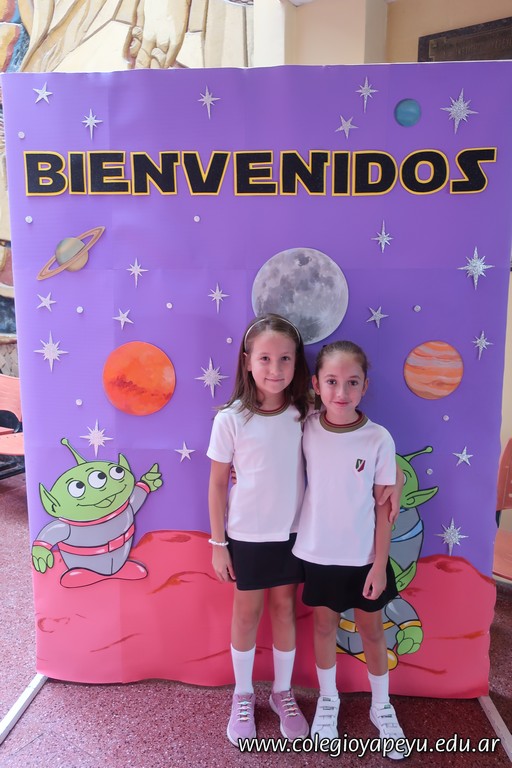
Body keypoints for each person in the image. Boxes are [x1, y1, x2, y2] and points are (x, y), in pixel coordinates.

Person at [293, 340, 406, 760]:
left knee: (372, 631)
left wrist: (379, 564)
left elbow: (384, 508)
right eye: (332, 381)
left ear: (365, 386)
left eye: (352, 382)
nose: (341, 392)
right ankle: (328, 701)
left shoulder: (378, 438)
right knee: (324, 628)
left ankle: (382, 706)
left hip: (364, 559)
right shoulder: (303, 427)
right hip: (319, 554)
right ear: (316, 385)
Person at [207, 313, 311, 746]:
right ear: (247, 361)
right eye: (265, 358)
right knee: (247, 614)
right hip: (246, 535)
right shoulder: (230, 418)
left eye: (285, 358)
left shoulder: (307, 413)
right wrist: (218, 543)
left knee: (285, 610)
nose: (275, 368)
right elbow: (217, 483)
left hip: (293, 534)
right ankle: (243, 693)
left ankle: (282, 692)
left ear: (296, 362)